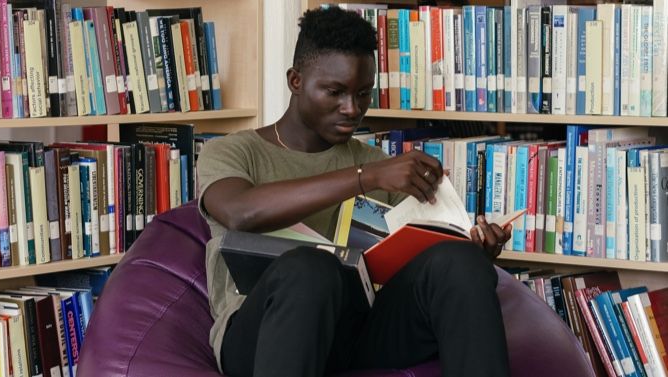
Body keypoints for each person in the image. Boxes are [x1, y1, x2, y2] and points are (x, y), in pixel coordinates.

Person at [197, 6, 512, 377]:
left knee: (460, 264)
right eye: (335, 92)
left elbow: (420, 260)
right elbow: (239, 211)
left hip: (357, 331)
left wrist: (473, 253)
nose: (352, 109)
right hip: (265, 334)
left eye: (363, 94)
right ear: (295, 81)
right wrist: (366, 177)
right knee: (310, 266)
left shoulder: (375, 163)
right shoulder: (234, 150)